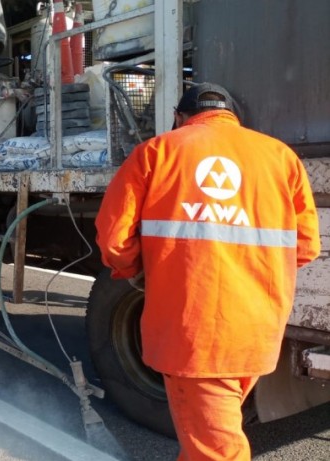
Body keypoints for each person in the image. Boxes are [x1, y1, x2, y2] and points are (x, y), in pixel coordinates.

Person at [95, 83, 320, 460]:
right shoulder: (281, 157)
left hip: (196, 335)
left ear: (178, 118)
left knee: (215, 451)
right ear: (233, 118)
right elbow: (307, 246)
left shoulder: (156, 152)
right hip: (256, 332)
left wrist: (143, 274)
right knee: (212, 435)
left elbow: (114, 242)